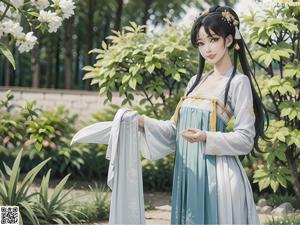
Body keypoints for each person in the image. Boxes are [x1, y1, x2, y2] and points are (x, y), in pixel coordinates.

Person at [138, 5, 270, 225]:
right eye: (201, 43)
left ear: (228, 41)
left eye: (213, 40)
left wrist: (206, 137)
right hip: (187, 176)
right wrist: (143, 122)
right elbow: (175, 130)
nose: (206, 49)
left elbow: (246, 139)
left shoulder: (237, 82)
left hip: (218, 179)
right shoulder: (195, 82)